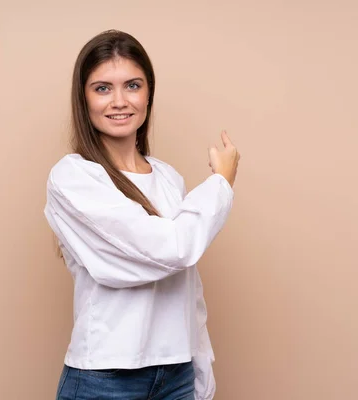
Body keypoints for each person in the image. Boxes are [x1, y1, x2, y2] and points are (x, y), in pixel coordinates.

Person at [44, 29, 239, 400]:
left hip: (177, 375)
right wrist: (222, 184)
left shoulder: (168, 178)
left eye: (132, 85)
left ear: (148, 93)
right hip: (106, 380)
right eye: (102, 88)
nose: (119, 101)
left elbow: (186, 285)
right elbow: (170, 249)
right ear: (83, 97)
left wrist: (199, 373)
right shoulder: (73, 177)